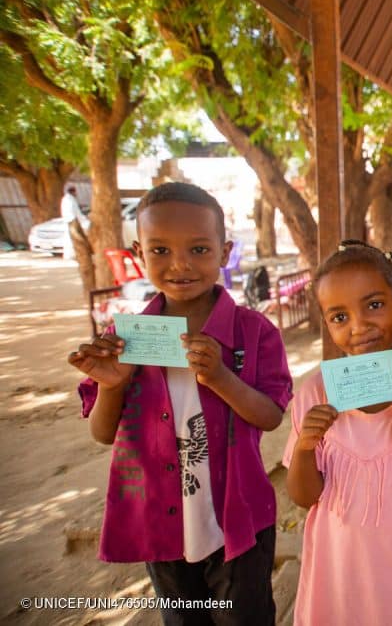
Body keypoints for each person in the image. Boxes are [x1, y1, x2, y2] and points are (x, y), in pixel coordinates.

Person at [68, 182, 292, 624]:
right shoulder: (127, 339)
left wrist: (222, 379)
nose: (180, 265)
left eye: (198, 249)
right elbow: (102, 433)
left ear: (224, 251)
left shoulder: (255, 333)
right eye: (161, 251)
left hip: (239, 522)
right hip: (163, 524)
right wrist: (112, 385)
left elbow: (270, 415)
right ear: (138, 252)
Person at [283, 241, 392, 624]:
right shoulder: (315, 393)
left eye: (374, 305)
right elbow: (303, 496)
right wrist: (306, 447)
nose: (359, 328)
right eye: (339, 317)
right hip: (335, 579)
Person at [60, 185, 90, 261]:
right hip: (72, 220)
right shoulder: (69, 200)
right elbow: (75, 212)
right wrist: (82, 219)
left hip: (70, 220)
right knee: (74, 238)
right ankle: (72, 254)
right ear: (73, 192)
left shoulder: (67, 199)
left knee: (70, 238)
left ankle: (71, 254)